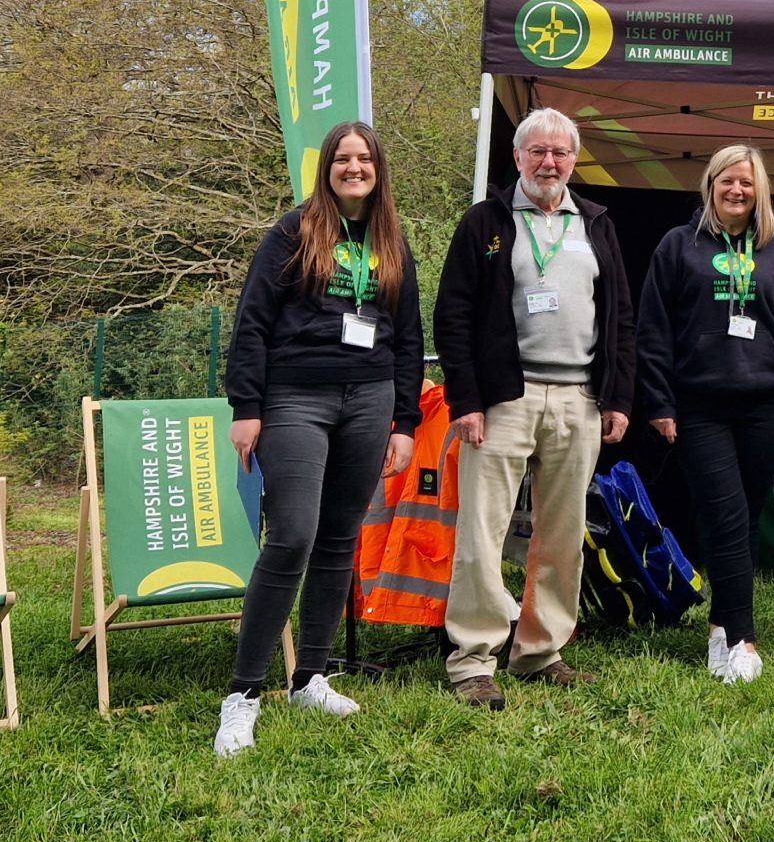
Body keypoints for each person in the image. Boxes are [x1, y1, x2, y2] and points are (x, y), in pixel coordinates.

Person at [216, 120, 425, 757]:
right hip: (294, 399)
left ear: (378, 169)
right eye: (343, 158)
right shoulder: (293, 231)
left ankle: (310, 674)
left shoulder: (391, 241)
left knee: (339, 539)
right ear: (327, 168)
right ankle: (242, 695)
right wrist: (246, 407)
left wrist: (406, 422)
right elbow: (253, 320)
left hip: (370, 400)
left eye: (364, 158)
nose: (353, 167)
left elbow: (408, 337)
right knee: (294, 537)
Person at [434, 108, 636, 709]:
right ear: (517, 158)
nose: (550, 163)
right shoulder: (486, 222)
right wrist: (466, 400)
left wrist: (618, 397)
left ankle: (539, 651)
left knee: (563, 534)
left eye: (561, 153)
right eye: (538, 152)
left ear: (575, 160)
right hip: (503, 402)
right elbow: (454, 316)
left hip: (579, 399)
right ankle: (473, 658)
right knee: (483, 532)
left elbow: (621, 318)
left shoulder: (596, 224)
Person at [635, 145, 774, 683]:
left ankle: (721, 625)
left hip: (767, 403)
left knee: (744, 515)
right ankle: (744, 639)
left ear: (759, 189)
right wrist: (658, 401)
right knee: (724, 513)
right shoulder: (678, 246)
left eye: (746, 183)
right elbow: (652, 330)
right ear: (711, 185)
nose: (737, 191)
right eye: (727, 182)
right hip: (699, 404)